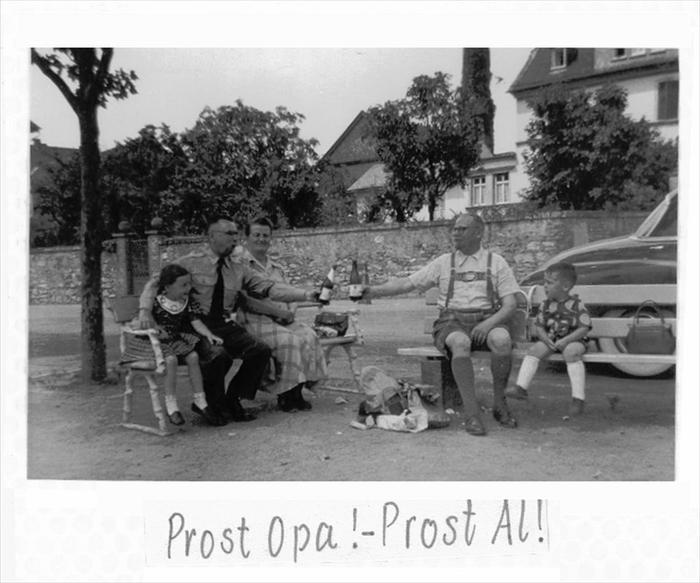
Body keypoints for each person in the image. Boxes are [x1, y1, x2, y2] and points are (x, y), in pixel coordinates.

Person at [138, 217, 320, 425]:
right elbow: (155, 283)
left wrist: (306, 295)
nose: (235, 239)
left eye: (236, 234)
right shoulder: (189, 262)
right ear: (212, 236)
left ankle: (232, 399)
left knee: (259, 350)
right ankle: (211, 404)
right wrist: (145, 311)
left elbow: (269, 287)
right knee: (218, 355)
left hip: (223, 324)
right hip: (195, 325)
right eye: (229, 234)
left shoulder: (238, 267)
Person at [361, 213, 521, 436]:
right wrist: (372, 291)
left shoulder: (496, 262)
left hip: (487, 319)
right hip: (452, 321)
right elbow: (408, 283)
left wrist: (488, 324)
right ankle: (472, 413)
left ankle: (500, 404)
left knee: (502, 340)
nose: (456, 232)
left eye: (462, 229)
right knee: (460, 342)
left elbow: (510, 304)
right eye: (455, 228)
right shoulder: (444, 262)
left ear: (478, 233)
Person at [236, 216, 327, 412]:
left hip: (283, 318)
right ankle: (285, 394)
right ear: (246, 237)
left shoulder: (277, 267)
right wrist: (278, 313)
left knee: (308, 336)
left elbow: (288, 293)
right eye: (256, 235)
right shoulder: (240, 265)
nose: (261, 239)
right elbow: (246, 302)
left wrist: (290, 312)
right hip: (255, 320)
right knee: (288, 341)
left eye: (266, 235)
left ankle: (298, 391)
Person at [123, 263, 225, 426]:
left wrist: (209, 334)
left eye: (189, 284)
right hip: (154, 343)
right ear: (168, 286)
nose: (188, 288)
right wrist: (156, 328)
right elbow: (142, 322)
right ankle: (171, 405)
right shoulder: (156, 302)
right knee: (171, 360)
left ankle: (200, 400)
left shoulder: (186, 302)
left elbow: (196, 322)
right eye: (183, 285)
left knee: (193, 356)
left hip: (175, 340)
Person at [506, 262, 592, 416]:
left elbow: (584, 327)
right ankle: (521, 388)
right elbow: (539, 326)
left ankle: (578, 399)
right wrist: (545, 339)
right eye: (544, 282)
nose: (545, 286)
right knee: (534, 350)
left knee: (571, 353)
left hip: (575, 340)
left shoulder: (576, 304)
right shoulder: (545, 305)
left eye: (550, 283)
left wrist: (566, 341)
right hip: (552, 339)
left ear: (565, 287)